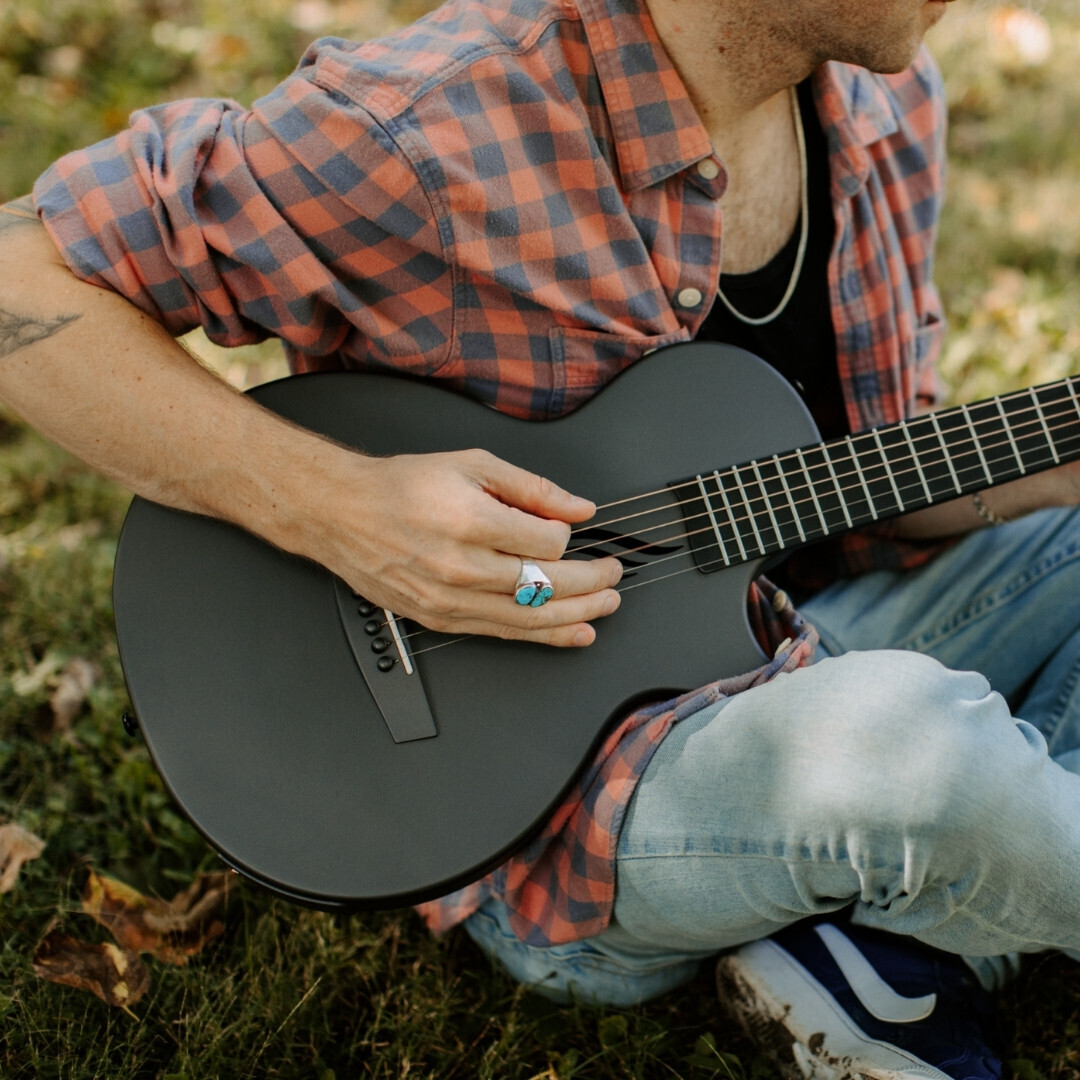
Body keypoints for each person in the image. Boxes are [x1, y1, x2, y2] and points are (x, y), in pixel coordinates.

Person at [2, 0, 1079, 1075]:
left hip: (800, 635)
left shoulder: (887, 102)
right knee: (921, 751)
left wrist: (1054, 468)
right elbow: (19, 275)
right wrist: (341, 509)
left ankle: (888, 943)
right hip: (561, 806)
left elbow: (850, 477)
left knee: (927, 722)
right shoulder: (432, 126)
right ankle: (934, 894)